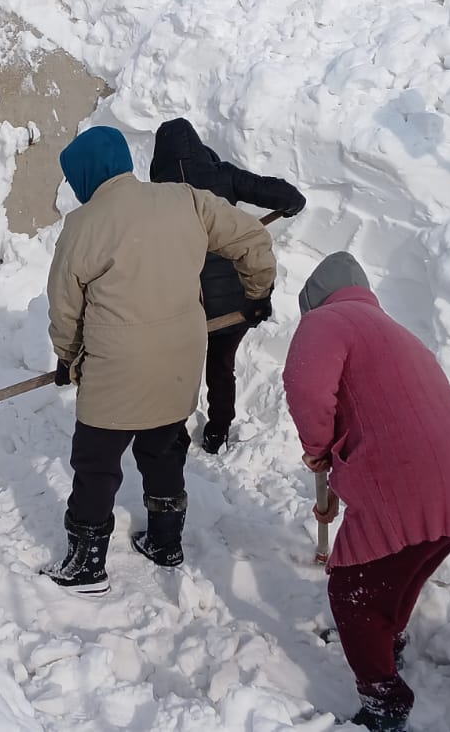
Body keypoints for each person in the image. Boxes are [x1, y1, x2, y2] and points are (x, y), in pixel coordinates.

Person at [42, 125, 277, 593]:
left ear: (87, 173)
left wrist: (68, 358)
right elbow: (251, 238)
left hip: (115, 366)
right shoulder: (185, 199)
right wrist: (257, 292)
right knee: (164, 445)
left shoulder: (83, 226)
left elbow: (64, 308)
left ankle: (87, 564)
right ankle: (166, 541)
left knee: (96, 464)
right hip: (179, 358)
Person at [284, 252, 450, 732]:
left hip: (416, 482)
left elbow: (306, 388)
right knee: (397, 575)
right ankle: (388, 641)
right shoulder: (391, 330)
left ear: (313, 299)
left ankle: (384, 701)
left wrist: (318, 450)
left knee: (352, 589)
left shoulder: (327, 321)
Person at [149, 117, 307, 453]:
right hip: (236, 304)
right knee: (222, 367)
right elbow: (286, 195)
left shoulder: (155, 195)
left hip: (184, 307)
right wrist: (291, 205)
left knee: (179, 371)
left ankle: (175, 431)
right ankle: (218, 431)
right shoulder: (223, 176)